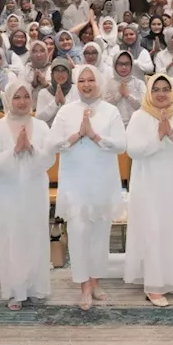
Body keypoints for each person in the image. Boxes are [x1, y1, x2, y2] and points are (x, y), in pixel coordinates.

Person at [51, 65, 128, 311]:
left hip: (102, 180)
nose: (86, 84)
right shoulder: (66, 111)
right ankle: (83, 285)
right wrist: (77, 135)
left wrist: (94, 136)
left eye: (91, 80)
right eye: (82, 80)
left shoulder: (111, 111)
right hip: (75, 181)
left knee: (99, 233)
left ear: (99, 83)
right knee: (78, 232)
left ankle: (95, 281)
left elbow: (121, 145)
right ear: (76, 83)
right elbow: (52, 143)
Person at [125, 73, 173, 306]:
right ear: (148, 92)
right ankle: (154, 284)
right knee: (154, 229)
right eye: (155, 89)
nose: (160, 93)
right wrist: (158, 137)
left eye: (165, 88)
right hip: (149, 184)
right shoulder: (139, 117)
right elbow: (133, 150)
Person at [0, 81, 58, 311]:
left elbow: (50, 159)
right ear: (8, 100)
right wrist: (14, 150)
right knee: (11, 238)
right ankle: (15, 291)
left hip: (35, 189)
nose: (23, 101)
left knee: (35, 236)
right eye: (17, 97)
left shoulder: (42, 126)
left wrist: (32, 150)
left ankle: (36, 287)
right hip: (8, 192)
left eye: (26, 96)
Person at [104, 49, 145, 125]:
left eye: (127, 64)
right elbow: (104, 106)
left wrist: (128, 96)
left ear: (132, 65)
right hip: (113, 124)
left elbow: (144, 106)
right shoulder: (108, 83)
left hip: (135, 124)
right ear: (114, 65)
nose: (123, 67)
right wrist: (118, 95)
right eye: (120, 64)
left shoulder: (139, 83)